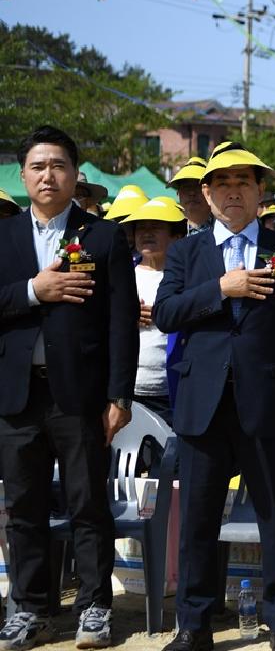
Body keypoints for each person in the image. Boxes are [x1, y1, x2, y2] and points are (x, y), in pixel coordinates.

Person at [153, 142, 275, 651]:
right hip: (201, 405)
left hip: (267, 401)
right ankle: (195, 625)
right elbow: (166, 313)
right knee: (199, 519)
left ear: (260, 192)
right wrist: (220, 289)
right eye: (222, 184)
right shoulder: (186, 251)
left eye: (243, 183)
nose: (232, 193)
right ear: (205, 193)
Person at [0, 125, 138, 651]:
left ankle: (95, 608)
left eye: (58, 165)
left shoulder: (102, 237)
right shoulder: (5, 235)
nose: (48, 175)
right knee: (25, 507)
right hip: (17, 396)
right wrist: (36, 290)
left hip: (79, 395)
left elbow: (121, 324)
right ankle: (31, 610)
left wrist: (119, 397)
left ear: (75, 173)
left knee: (87, 506)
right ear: (23, 175)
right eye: (37, 166)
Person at [122, 197, 188, 424]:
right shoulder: (122, 273)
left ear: (177, 236)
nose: (146, 233)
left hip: (171, 391)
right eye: (141, 227)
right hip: (127, 391)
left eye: (156, 227)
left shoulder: (188, 278)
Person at [167, 156, 213, 235]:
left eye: (198, 187)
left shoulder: (226, 228)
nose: (192, 193)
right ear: (178, 194)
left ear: (210, 192)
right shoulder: (169, 232)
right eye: (186, 188)